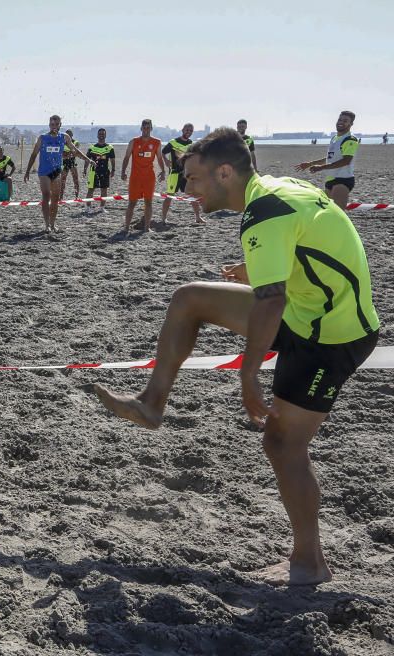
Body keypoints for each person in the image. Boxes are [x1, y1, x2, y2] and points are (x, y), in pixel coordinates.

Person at [94, 128, 379, 586]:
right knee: (190, 299)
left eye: (194, 178)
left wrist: (248, 376)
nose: (187, 188)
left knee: (283, 444)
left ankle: (309, 564)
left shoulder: (263, 212)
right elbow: (311, 246)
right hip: (306, 307)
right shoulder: (278, 192)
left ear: (225, 172)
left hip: (330, 335)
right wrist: (259, 270)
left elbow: (270, 302)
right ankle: (151, 404)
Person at [23, 115, 88, 232]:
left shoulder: (64, 137)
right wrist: (27, 171)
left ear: (60, 125)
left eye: (56, 124)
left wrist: (87, 159)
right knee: (46, 194)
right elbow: (33, 155)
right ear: (49, 125)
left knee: (55, 199)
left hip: (57, 171)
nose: (54, 126)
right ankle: (47, 224)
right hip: (44, 172)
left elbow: (75, 151)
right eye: (52, 124)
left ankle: (53, 224)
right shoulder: (42, 138)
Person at [295, 111, 360, 212]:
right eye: (340, 119)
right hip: (330, 180)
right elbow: (330, 159)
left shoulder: (350, 139)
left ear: (351, 124)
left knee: (337, 215)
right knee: (326, 213)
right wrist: (310, 163)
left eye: (345, 121)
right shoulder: (334, 138)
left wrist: (321, 167)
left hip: (343, 180)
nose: (341, 122)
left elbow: (346, 161)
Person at [120, 118, 166, 234]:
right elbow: (126, 157)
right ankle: (126, 227)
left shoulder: (157, 142)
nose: (146, 129)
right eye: (144, 127)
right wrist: (123, 171)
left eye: (148, 127)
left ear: (151, 128)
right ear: (141, 128)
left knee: (148, 202)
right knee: (132, 203)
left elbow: (159, 158)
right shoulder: (134, 141)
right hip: (135, 177)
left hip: (149, 177)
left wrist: (163, 171)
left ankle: (147, 228)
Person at [159, 123, 203, 224]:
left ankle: (197, 217)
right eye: (187, 130)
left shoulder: (191, 144)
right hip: (174, 173)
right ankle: (163, 218)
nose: (189, 132)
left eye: (191, 131)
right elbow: (163, 152)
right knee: (169, 196)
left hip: (186, 175)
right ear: (182, 130)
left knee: (193, 194)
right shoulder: (173, 142)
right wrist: (166, 160)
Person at [83, 128, 115, 212]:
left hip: (104, 171)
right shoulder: (92, 147)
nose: (101, 135)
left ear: (105, 135)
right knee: (90, 189)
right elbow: (87, 159)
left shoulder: (109, 148)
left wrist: (113, 170)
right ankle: (88, 208)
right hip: (93, 171)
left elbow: (112, 160)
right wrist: (85, 169)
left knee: (104, 189)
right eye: (100, 134)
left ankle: (101, 208)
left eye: (103, 134)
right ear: (97, 135)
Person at [60, 128, 81, 200]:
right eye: (67, 135)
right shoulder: (61, 142)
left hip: (72, 162)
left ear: (72, 135)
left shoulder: (76, 142)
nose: (68, 136)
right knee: (62, 180)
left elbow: (74, 153)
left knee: (75, 179)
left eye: (70, 135)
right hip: (64, 163)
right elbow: (61, 154)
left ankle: (77, 196)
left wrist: (67, 154)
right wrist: (67, 154)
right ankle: (61, 197)